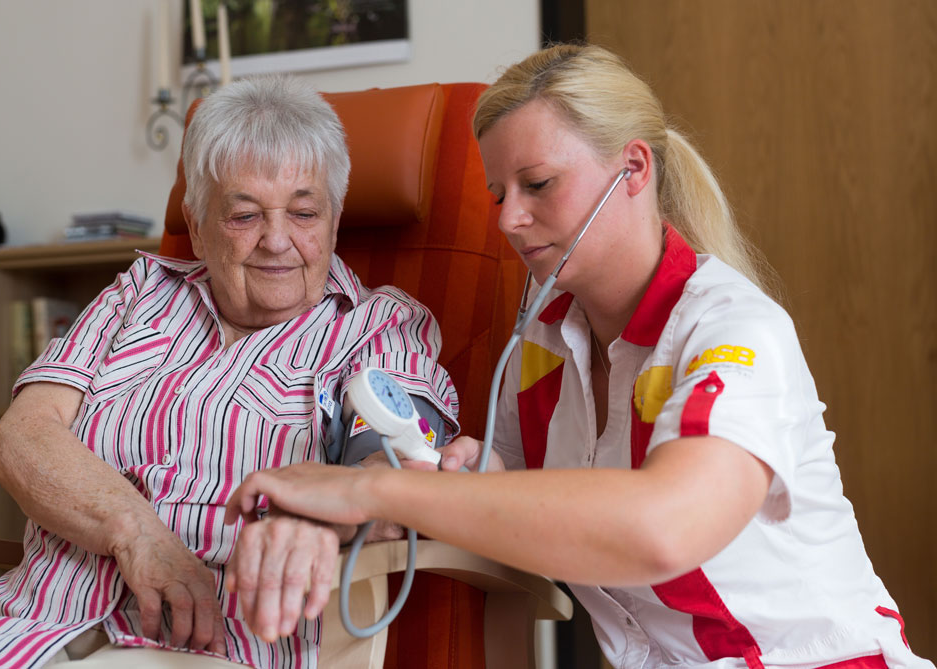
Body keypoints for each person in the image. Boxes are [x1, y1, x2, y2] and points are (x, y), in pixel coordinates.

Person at [219, 45, 933, 668]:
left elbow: (664, 528)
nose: (507, 219)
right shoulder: (539, 345)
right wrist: (453, 477)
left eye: (538, 185)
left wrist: (368, 490)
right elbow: (514, 494)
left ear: (632, 168)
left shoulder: (733, 329)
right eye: (499, 193)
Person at [0, 74, 457, 669]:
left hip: (212, 648)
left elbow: (397, 476)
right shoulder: (140, 293)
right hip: (24, 635)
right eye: (243, 216)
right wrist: (137, 534)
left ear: (337, 217)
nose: (277, 241)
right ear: (197, 217)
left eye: (305, 211)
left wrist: (322, 515)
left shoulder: (379, 328)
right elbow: (20, 438)